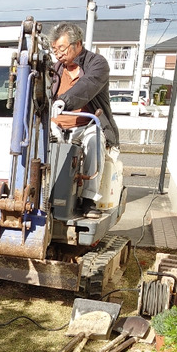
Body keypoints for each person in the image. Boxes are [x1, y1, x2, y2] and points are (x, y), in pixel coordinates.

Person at [48, 22, 119, 218]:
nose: (58, 54)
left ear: (77, 44)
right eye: (55, 50)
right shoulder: (54, 70)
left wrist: (64, 101)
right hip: (58, 125)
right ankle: (47, 195)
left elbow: (88, 86)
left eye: (61, 48)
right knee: (41, 144)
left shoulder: (97, 64)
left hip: (87, 124)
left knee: (94, 140)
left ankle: (88, 200)